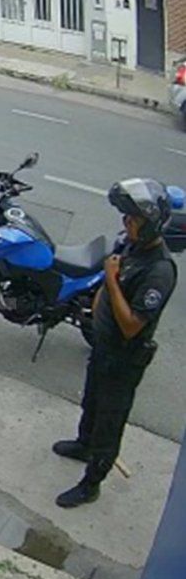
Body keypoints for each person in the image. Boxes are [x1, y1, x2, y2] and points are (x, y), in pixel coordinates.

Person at [53, 178, 177, 508]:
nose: (126, 224)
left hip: (125, 358)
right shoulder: (130, 247)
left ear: (151, 225)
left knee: (110, 421)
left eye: (133, 220)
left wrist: (110, 279)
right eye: (125, 218)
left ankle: (91, 483)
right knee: (92, 402)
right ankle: (83, 444)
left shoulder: (160, 272)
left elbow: (133, 324)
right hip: (104, 348)